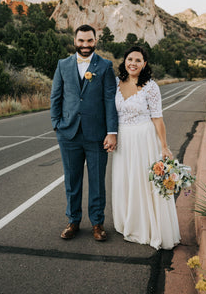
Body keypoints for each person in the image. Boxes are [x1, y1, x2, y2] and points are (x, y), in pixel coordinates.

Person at [50, 24, 118, 241]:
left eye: (89, 41)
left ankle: (98, 224)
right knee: (72, 180)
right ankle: (73, 221)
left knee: (97, 181)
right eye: (81, 41)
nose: (85, 45)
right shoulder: (63, 65)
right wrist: (57, 124)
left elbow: (110, 100)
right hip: (68, 133)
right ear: (75, 41)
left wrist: (111, 132)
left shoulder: (105, 66)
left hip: (96, 134)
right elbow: (56, 97)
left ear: (95, 41)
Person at [112, 46, 181, 250]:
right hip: (123, 139)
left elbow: (158, 118)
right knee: (125, 180)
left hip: (144, 138)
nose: (133, 63)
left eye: (138, 60)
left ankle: (149, 227)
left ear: (144, 64)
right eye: (130, 59)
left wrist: (164, 147)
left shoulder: (151, 87)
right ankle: (128, 221)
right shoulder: (116, 83)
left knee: (143, 181)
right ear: (125, 61)